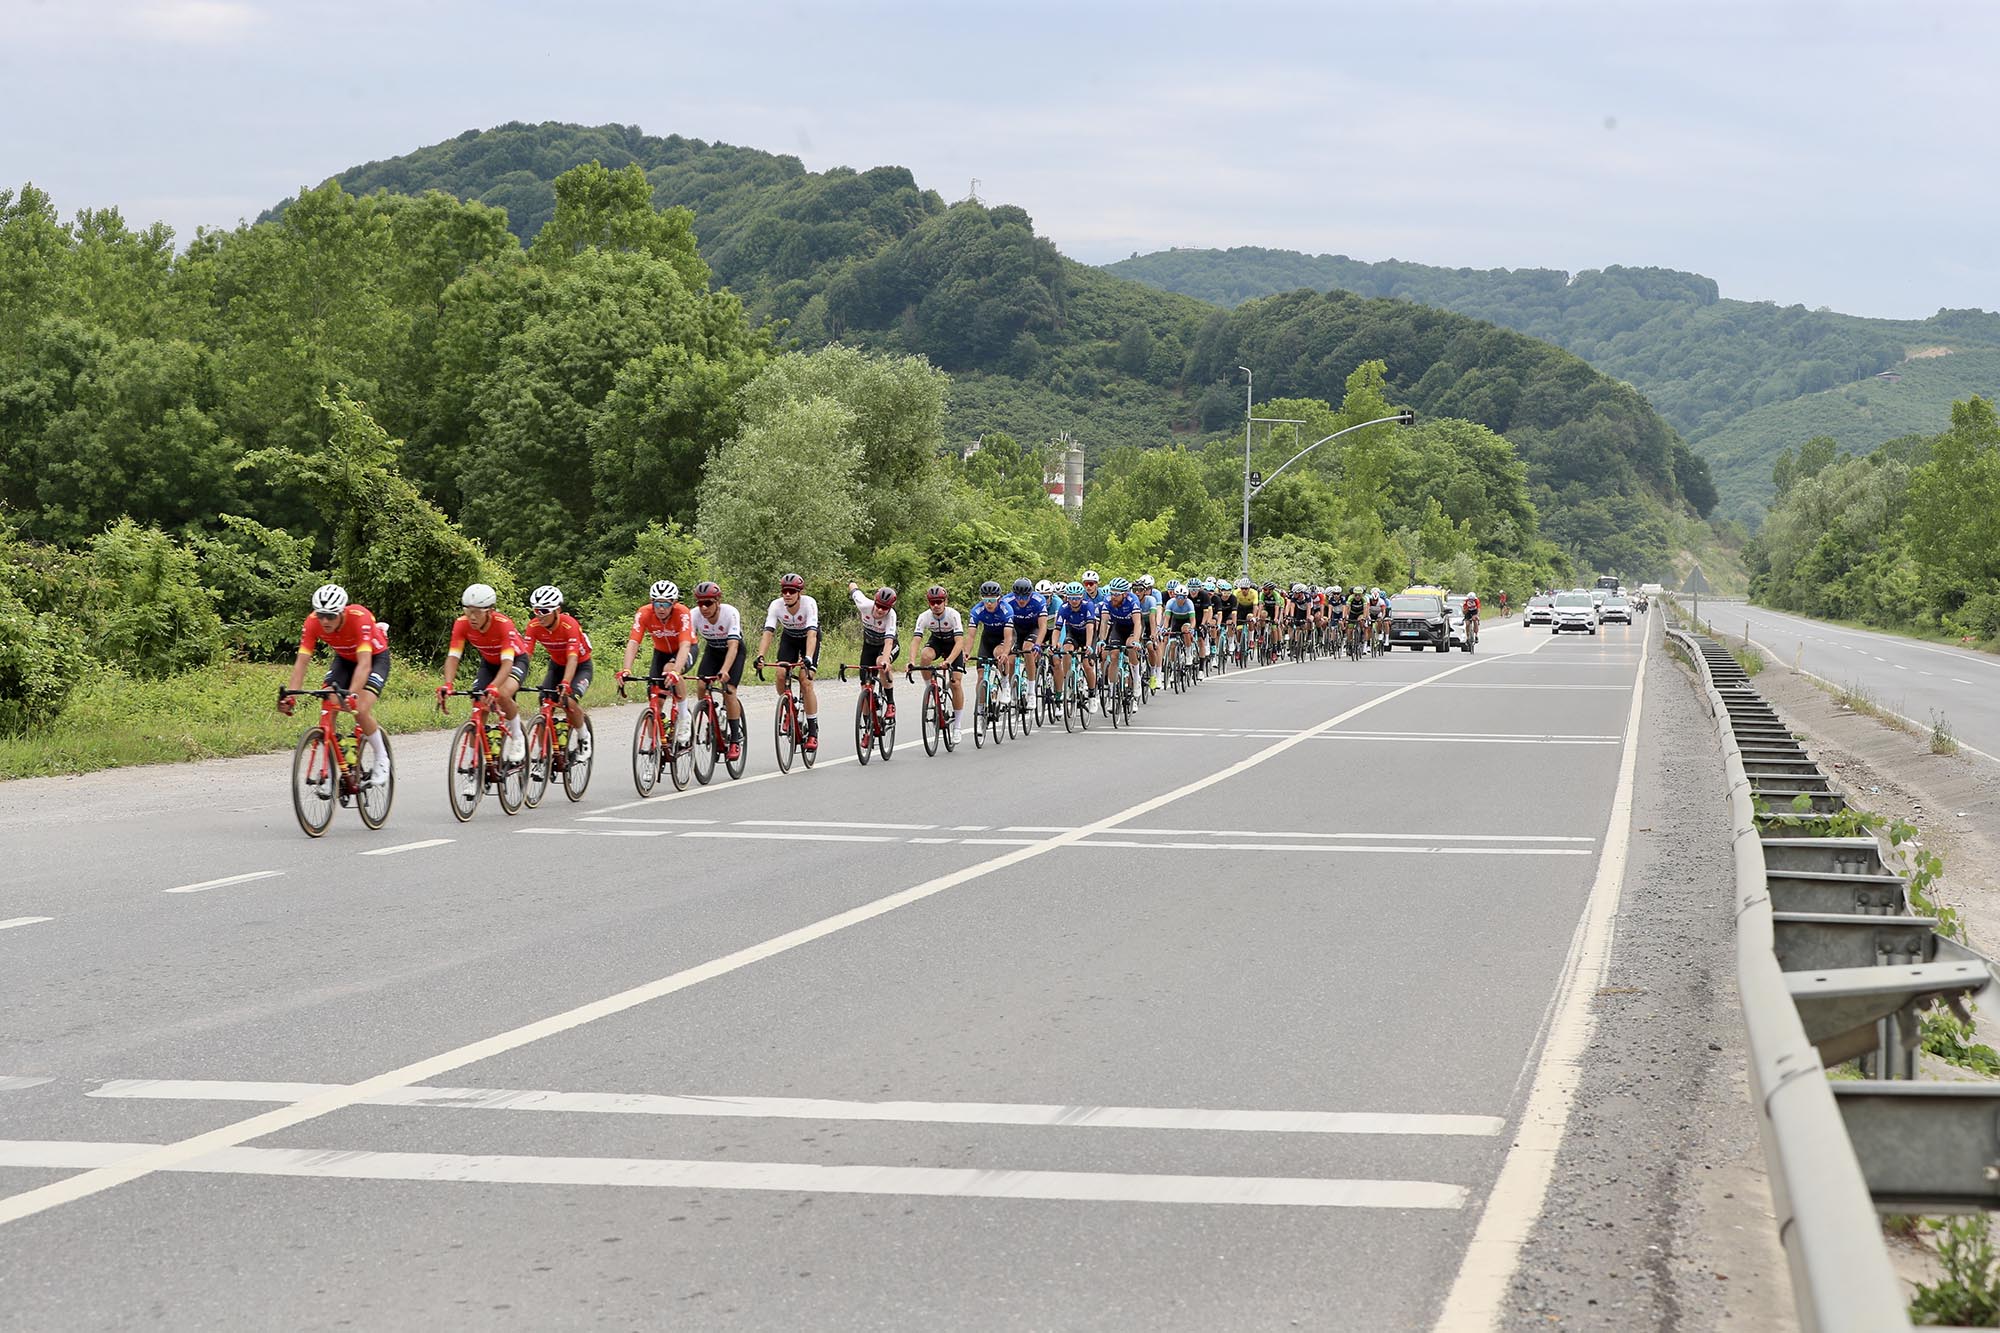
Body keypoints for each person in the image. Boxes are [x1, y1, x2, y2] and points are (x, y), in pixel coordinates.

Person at [281, 584, 392, 784]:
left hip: (374, 659)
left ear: (342, 612)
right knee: (328, 701)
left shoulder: (360, 617)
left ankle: (382, 757)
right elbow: (302, 662)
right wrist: (291, 696)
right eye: (321, 614)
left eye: (331, 616)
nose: (324, 621)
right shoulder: (312, 622)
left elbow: (365, 664)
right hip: (344, 659)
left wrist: (352, 695)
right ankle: (332, 769)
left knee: (361, 708)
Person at [437, 582, 529, 763]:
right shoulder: (461, 624)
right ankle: (473, 765)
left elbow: (507, 663)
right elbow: (453, 657)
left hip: (515, 660)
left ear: (490, 611)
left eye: (477, 612)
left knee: (501, 694)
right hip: (489, 663)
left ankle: (518, 738)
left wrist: (494, 686)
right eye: (468, 610)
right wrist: (448, 684)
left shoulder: (503, 625)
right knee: (479, 703)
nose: (472, 616)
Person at [520, 584, 594, 761]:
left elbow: (573, 658)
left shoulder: (570, 625)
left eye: (544, 610)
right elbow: (525, 655)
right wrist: (516, 678)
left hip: (580, 667)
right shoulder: (534, 626)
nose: (540, 615)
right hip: (556, 666)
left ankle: (584, 737)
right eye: (536, 610)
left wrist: (566, 683)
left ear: (557, 610)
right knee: (544, 702)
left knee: (568, 701)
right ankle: (542, 755)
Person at [618, 580, 695, 741]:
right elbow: (633, 642)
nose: (661, 608)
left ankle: (684, 716)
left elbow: (685, 644)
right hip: (660, 653)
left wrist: (676, 670)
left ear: (673, 603)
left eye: (665, 604)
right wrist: (626, 669)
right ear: (652, 602)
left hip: (685, 649)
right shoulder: (644, 613)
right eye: (657, 603)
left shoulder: (682, 612)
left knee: (670, 669)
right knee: (655, 700)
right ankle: (659, 745)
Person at [755, 573, 821, 754]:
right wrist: (760, 656)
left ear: (800, 592)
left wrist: (808, 657)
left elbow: (812, 634)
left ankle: (813, 731)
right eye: (784, 591)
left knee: (805, 681)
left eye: (792, 591)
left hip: (809, 638)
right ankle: (788, 706)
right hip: (789, 639)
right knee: (780, 673)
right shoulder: (776, 605)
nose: (787, 594)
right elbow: (768, 632)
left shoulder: (809, 603)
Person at [690, 581, 747, 764]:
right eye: (700, 603)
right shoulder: (694, 615)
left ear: (717, 602)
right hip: (713, 651)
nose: (704, 608)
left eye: (708, 603)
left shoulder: (730, 613)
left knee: (729, 691)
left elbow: (733, 646)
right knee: (701, 685)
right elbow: (689, 645)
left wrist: (724, 670)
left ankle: (735, 738)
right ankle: (713, 720)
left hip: (734, 652)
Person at [914, 584, 968, 742]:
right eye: (932, 602)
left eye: (939, 601)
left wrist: (949, 661)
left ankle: (957, 727)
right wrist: (911, 661)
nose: (936, 605)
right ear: (928, 603)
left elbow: (959, 642)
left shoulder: (953, 615)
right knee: (924, 656)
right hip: (937, 642)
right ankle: (930, 688)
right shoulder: (924, 616)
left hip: (953, 646)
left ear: (946, 601)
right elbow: (916, 640)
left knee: (955, 683)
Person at [847, 581, 900, 721]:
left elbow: (889, 641)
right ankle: (867, 728)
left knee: (880, 662)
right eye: (878, 605)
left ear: (890, 608)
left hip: (888, 645)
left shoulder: (891, 616)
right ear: (875, 601)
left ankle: (890, 703)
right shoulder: (864, 604)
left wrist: (885, 660)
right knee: (865, 688)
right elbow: (854, 589)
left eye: (885, 608)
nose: (880, 610)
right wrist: (852, 583)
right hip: (869, 646)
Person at [968, 580, 1016, 708]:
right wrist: (965, 653)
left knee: (999, 653)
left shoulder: (1006, 609)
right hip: (988, 638)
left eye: (993, 600)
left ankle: (1005, 684)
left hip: (1004, 637)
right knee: (981, 675)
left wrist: (1006, 653)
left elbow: (1008, 636)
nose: (989, 603)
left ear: (999, 599)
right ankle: (980, 708)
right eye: (986, 600)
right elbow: (971, 636)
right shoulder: (977, 610)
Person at [1099, 577, 1146, 698]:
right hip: (1118, 627)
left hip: (1132, 627)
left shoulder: (1132, 600)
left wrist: (1136, 641)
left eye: (1116, 594)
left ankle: (1136, 681)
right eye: (1111, 593)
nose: (1113, 596)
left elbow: (1137, 623)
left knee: (1130, 647)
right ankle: (1112, 690)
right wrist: (1102, 640)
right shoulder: (1107, 600)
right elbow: (1104, 622)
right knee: (1113, 654)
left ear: (1124, 594)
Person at [1006, 577, 1048, 711]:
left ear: (1030, 594)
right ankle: (1013, 694)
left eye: (1025, 596)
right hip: (1016, 630)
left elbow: (1043, 627)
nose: (1021, 600)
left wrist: (1038, 644)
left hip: (1033, 628)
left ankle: (1031, 692)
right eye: (1018, 596)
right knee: (1011, 660)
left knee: (1028, 649)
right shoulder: (1007, 601)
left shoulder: (1039, 600)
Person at [1052, 581, 1098, 699]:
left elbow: (1090, 627)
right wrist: (1053, 645)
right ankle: (1069, 679)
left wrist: (1088, 646)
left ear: (1081, 597)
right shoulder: (1063, 608)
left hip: (1088, 635)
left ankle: (1092, 694)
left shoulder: (1088, 605)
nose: (1074, 601)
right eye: (1071, 598)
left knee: (1087, 664)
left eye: (1077, 598)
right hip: (1073, 633)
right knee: (1066, 650)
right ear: (1067, 597)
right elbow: (1057, 628)